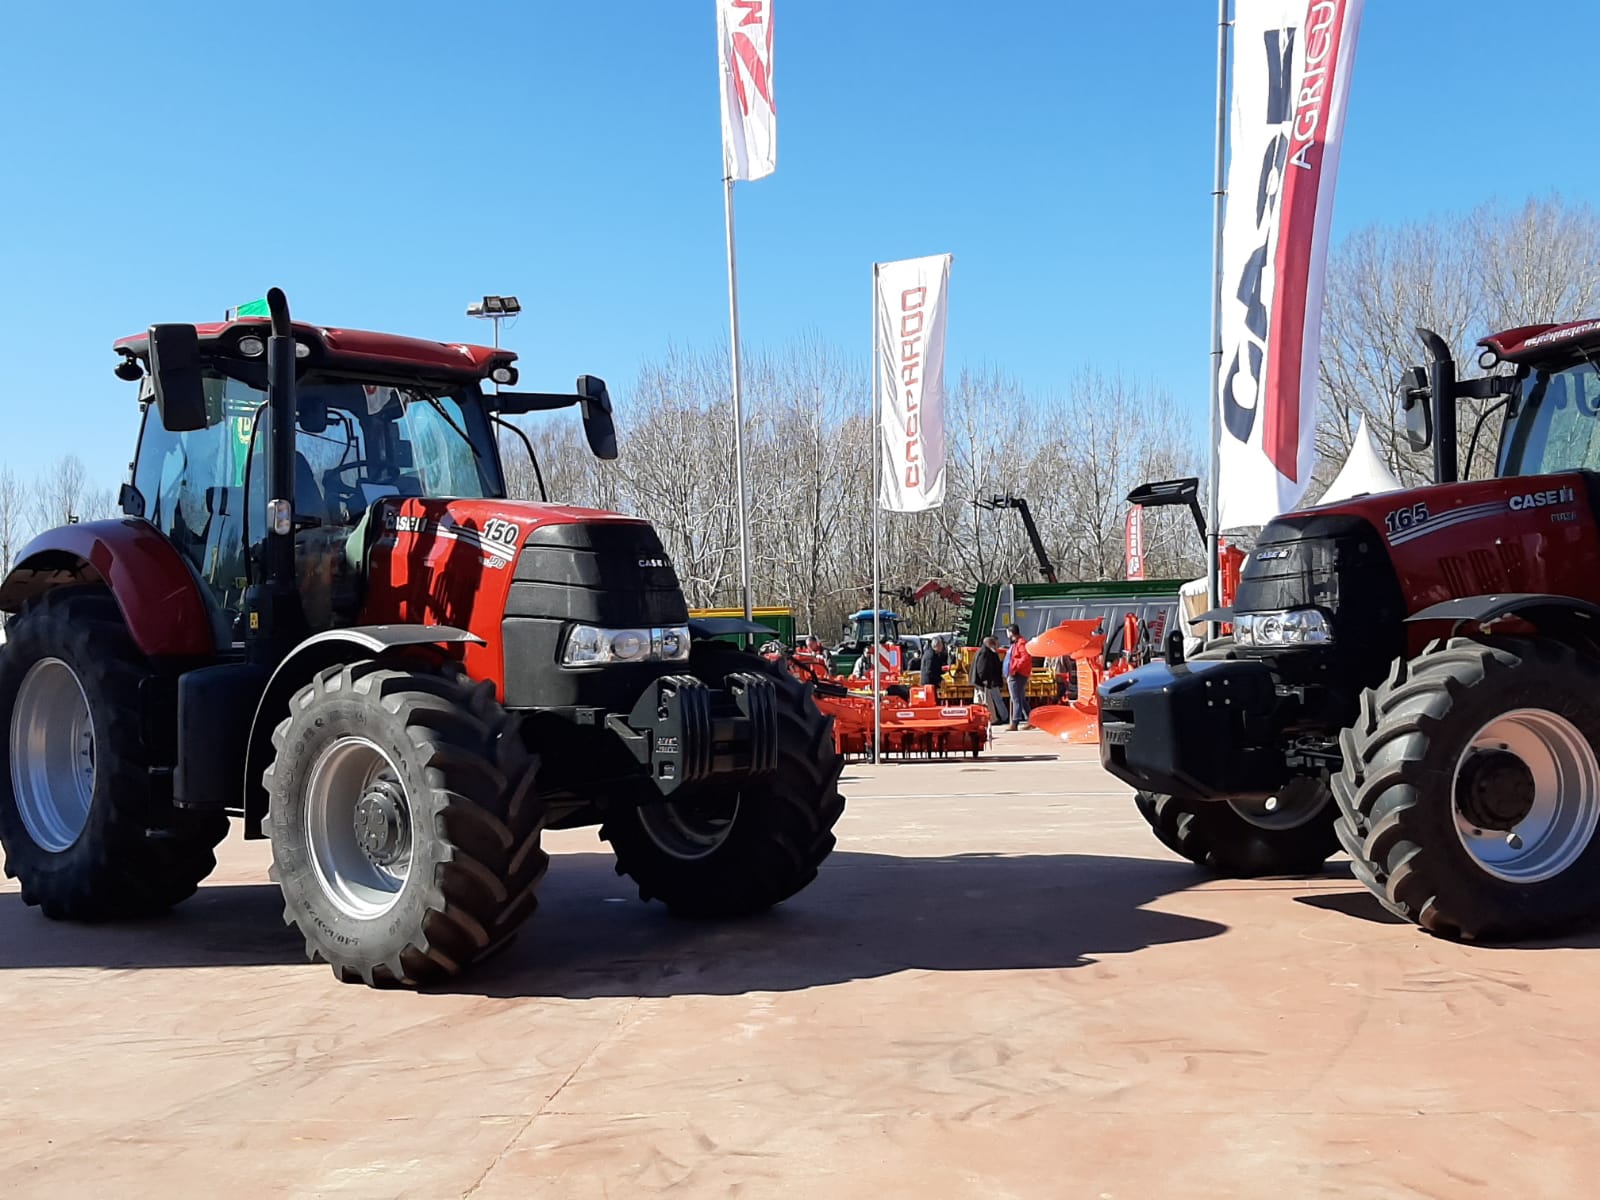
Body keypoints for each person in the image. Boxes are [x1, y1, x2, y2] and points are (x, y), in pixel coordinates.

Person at [970, 636, 1008, 725]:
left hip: (981, 682)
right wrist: (985, 680)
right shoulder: (985, 653)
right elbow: (982, 668)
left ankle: (988, 718)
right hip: (985, 682)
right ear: (990, 644)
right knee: (988, 701)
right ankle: (993, 719)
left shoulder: (981, 651)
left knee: (983, 701)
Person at [1004, 624, 1033, 731]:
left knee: (1015, 698)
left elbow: (1025, 658)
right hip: (1017, 673)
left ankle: (1015, 722)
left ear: (1011, 633)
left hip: (1017, 674)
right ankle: (1031, 720)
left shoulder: (1020, 643)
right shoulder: (1018, 643)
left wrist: (1014, 668)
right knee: (1020, 698)